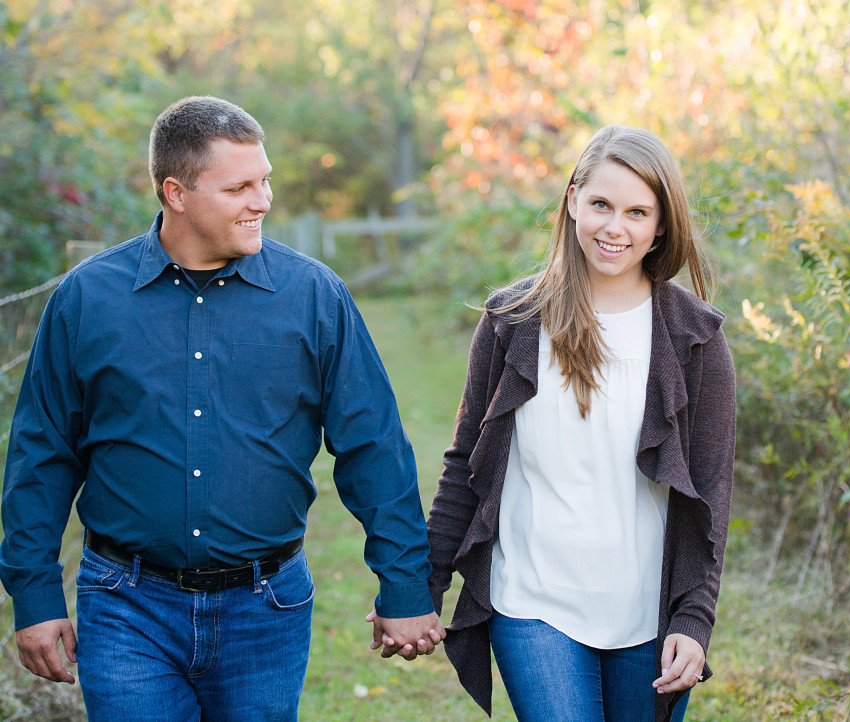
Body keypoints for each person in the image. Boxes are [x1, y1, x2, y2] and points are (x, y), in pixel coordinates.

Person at [0, 96, 443, 721]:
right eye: (238, 187)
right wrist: (36, 595)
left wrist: (404, 585)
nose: (262, 201)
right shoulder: (87, 299)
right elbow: (41, 454)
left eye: (264, 181)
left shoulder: (313, 296)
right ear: (175, 193)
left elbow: (374, 447)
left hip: (266, 608)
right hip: (125, 605)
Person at [426, 125, 735, 722]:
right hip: (533, 601)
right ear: (572, 201)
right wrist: (422, 586)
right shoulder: (512, 321)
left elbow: (710, 491)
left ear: (660, 225)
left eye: (637, 212)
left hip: (647, 611)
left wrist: (694, 620)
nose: (614, 227)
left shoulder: (695, 338)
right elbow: (466, 464)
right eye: (600, 204)